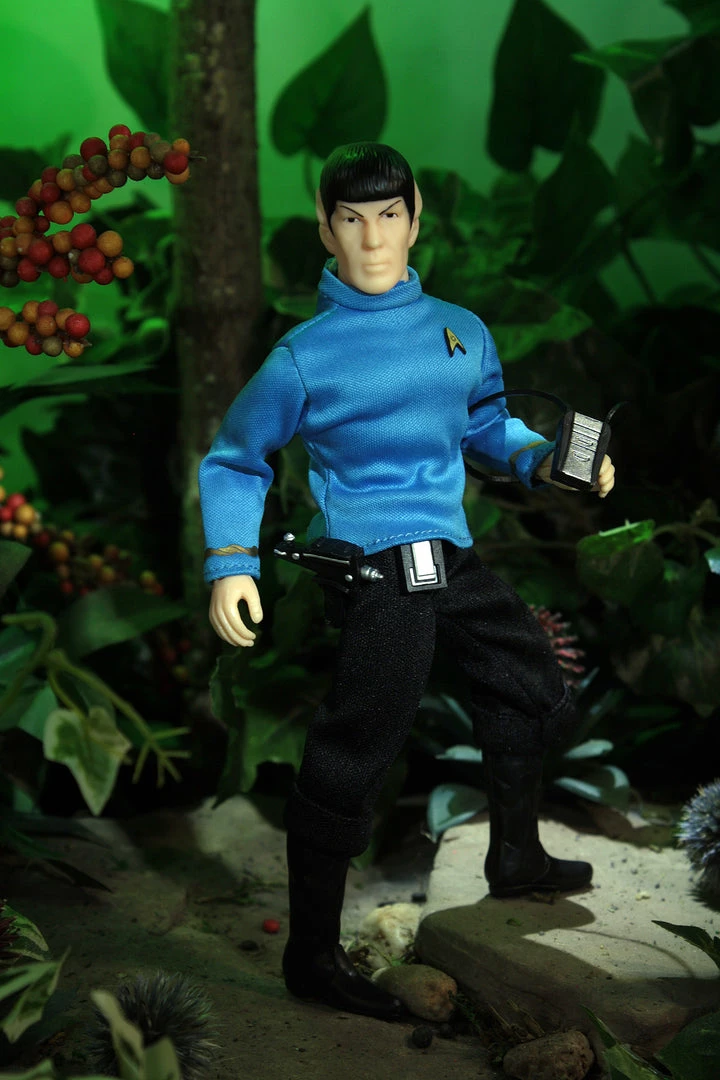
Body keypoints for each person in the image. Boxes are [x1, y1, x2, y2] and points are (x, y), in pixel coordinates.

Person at [198, 142, 615, 1021]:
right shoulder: (305, 357)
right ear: (325, 230)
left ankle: (515, 855)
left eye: (389, 216)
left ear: (416, 221)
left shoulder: (460, 330)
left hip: (450, 555)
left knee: (526, 676)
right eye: (351, 220)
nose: (373, 239)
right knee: (357, 744)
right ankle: (312, 956)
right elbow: (236, 459)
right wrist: (231, 565)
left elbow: (488, 427)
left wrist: (547, 460)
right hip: (376, 570)